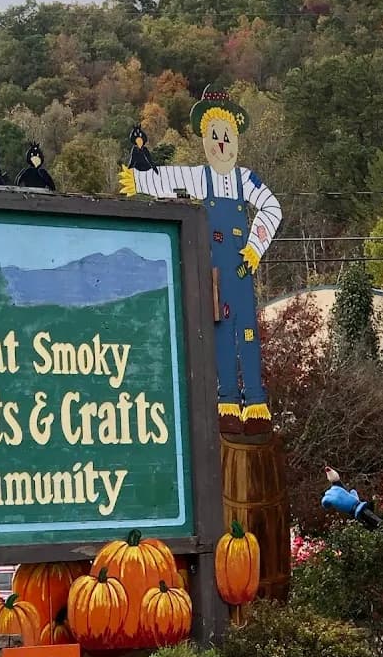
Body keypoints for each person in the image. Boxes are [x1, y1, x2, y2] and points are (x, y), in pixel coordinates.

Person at [120, 86, 282, 435]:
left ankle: (255, 401)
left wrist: (254, 248)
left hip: (242, 267)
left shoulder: (246, 179)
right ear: (206, 141)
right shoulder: (199, 176)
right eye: (214, 136)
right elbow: (165, 178)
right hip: (215, 272)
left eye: (226, 136)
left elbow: (272, 206)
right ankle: (227, 401)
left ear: (235, 140)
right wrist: (139, 172)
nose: (221, 143)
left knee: (248, 332)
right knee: (222, 331)